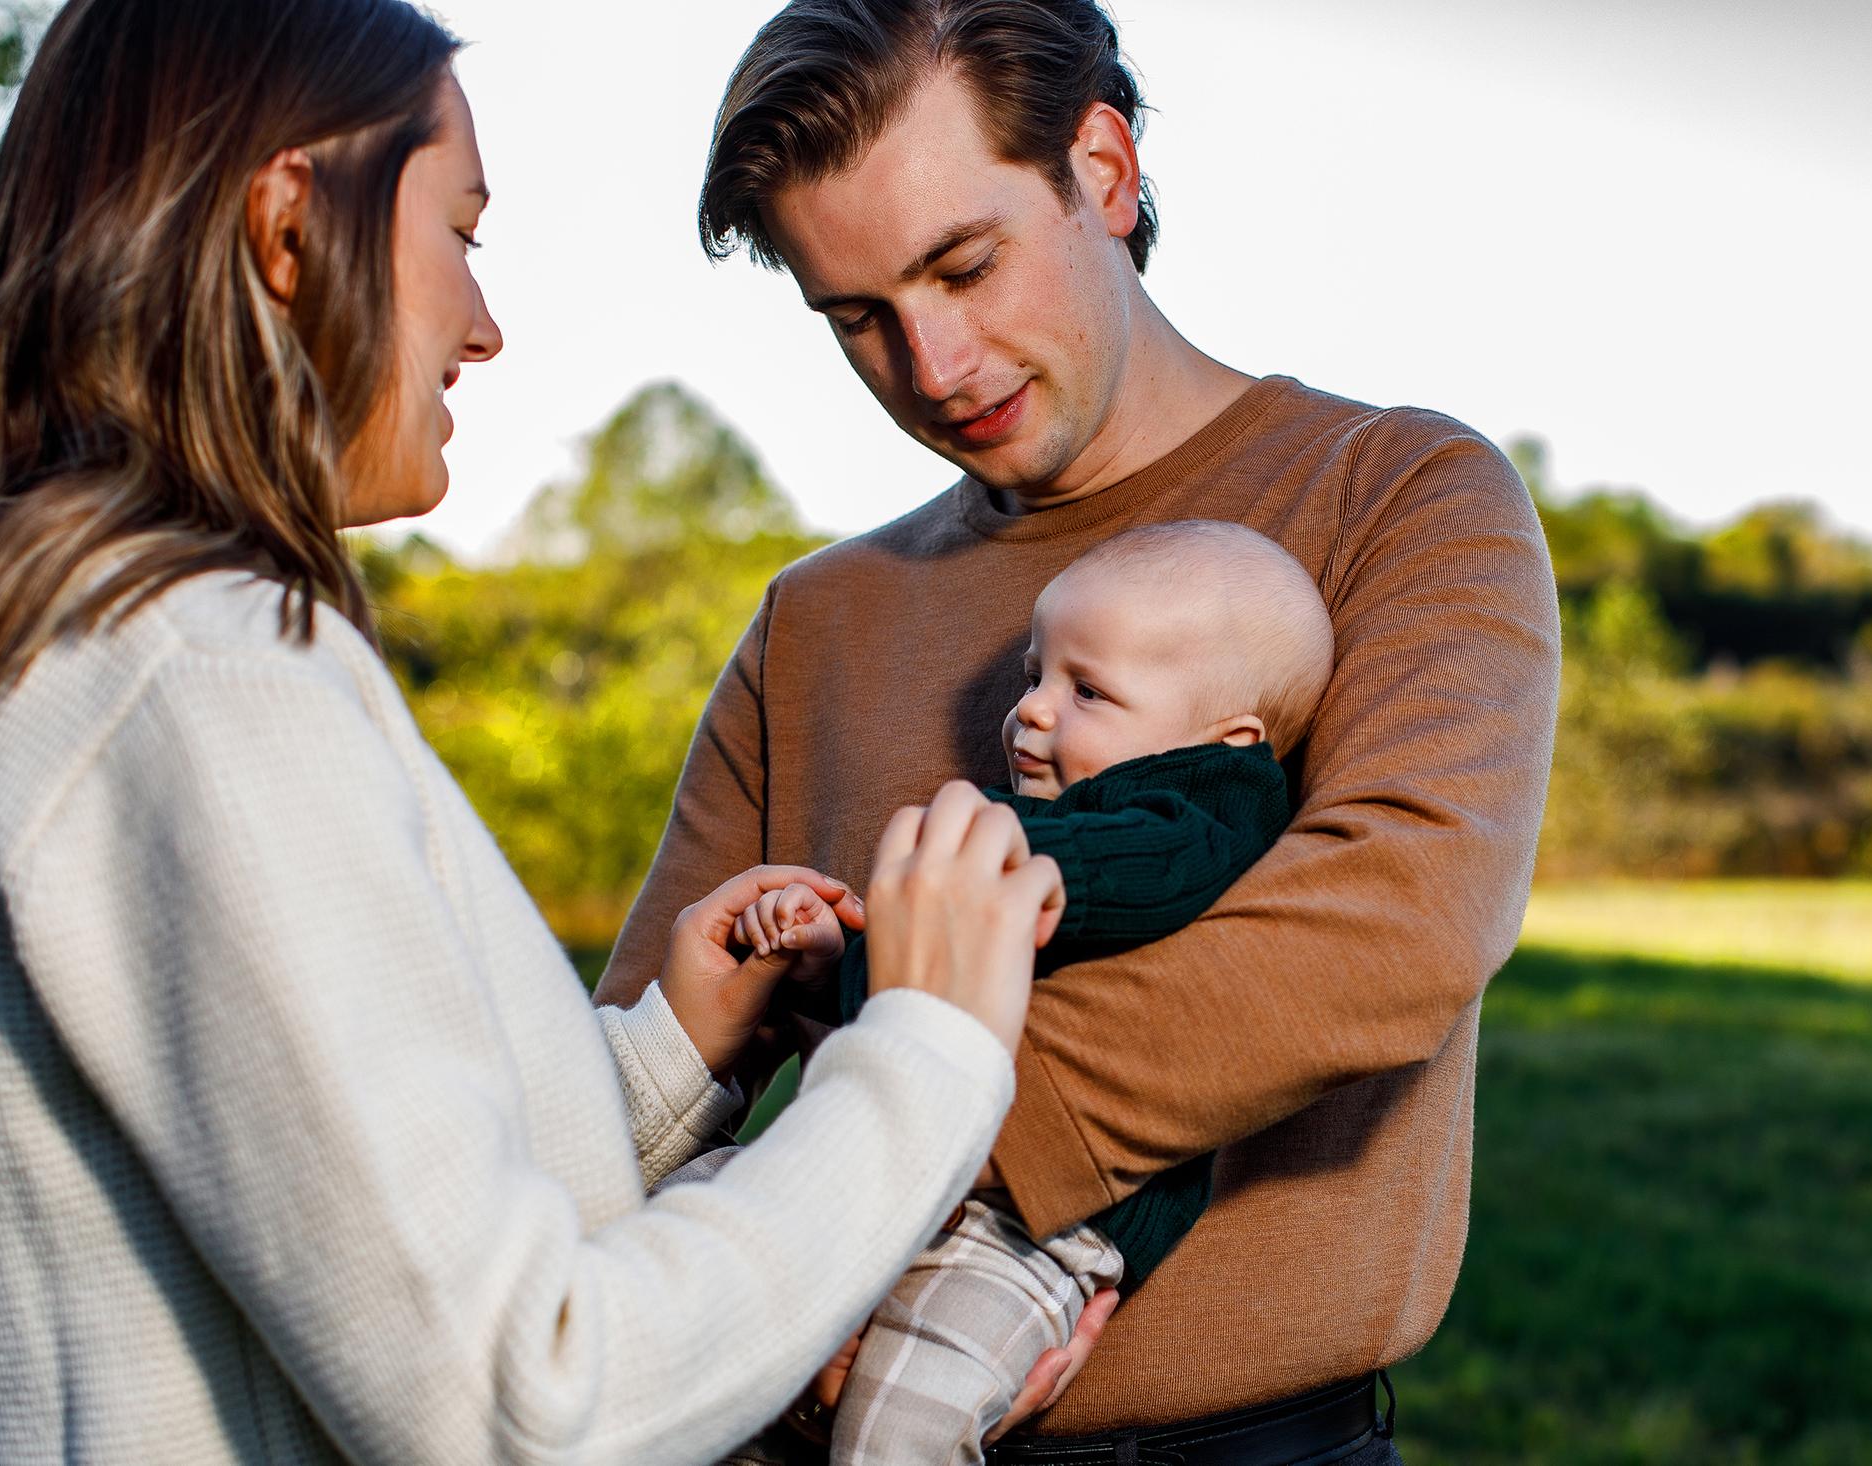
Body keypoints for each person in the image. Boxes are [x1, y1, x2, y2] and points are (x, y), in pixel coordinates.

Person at [0, 2, 1075, 1462]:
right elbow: (519, 1401)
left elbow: (336, 1210)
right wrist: (926, 1050)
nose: (483, 326)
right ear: (293, 229)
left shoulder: (91, 646)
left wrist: (664, 1065)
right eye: (461, 233)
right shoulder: (196, 681)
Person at [598, 1, 1561, 1461]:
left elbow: (1391, 924)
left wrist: (862, 1183)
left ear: (1104, 169)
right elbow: (643, 1059)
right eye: (855, 314)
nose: (929, 363)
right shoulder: (815, 616)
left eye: (962, 265)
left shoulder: (1401, 498)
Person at [702, 520, 1335, 1465]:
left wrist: (1022, 856)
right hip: (877, 1172)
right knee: (701, 1266)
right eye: (1037, 674)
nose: (1031, 711)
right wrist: (831, 954)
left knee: (902, 1425)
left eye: (1088, 691)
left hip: (1037, 1232)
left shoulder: (1212, 802)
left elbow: (1166, 862)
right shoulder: (1035, 831)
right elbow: (913, 1000)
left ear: (1227, 736)